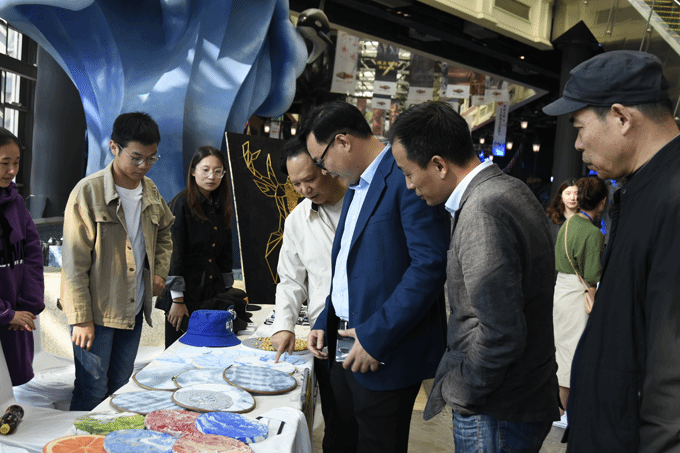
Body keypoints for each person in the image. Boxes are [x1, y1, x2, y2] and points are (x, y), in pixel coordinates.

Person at [389, 100, 559, 452]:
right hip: (518, 398)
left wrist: (461, 389)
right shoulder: (509, 189)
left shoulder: (483, 209)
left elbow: (502, 333)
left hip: (496, 408)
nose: (409, 186)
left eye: (408, 173)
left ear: (439, 165)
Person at [542, 50, 680, 452]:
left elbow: (672, 374)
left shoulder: (671, 198)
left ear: (621, 117)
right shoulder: (639, 188)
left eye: (580, 127)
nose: (578, 144)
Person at [302, 100, 449, 453]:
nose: (323, 171)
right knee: (339, 440)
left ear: (342, 142)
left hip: (384, 351)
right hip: (343, 344)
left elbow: (428, 266)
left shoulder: (405, 177)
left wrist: (374, 337)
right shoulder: (356, 185)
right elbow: (348, 268)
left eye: (321, 161)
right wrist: (325, 319)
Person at [61, 112, 174, 411]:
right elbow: (73, 264)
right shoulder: (88, 192)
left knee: (120, 388)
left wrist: (159, 272)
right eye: (136, 157)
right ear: (114, 147)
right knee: (92, 390)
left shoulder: (150, 191)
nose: (143, 166)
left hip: (133, 308)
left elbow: (165, 232)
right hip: (97, 313)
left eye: (151, 158)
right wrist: (80, 318)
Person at [271, 138, 346, 453]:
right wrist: (284, 325)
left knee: (371, 425)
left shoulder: (361, 206)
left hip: (366, 330)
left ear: (326, 165)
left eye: (309, 179)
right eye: (296, 184)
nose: (304, 189)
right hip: (324, 336)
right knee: (337, 422)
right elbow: (291, 279)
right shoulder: (297, 221)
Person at [157, 146, 234, 348]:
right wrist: (177, 301)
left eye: (218, 171)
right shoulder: (181, 204)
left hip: (212, 293)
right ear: (193, 171)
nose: (212, 176)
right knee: (180, 351)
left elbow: (225, 255)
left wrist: (227, 293)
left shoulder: (221, 205)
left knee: (212, 350)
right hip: (184, 295)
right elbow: (174, 255)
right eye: (205, 170)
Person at [553, 176, 608, 418]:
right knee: (573, 353)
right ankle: (561, 410)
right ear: (602, 202)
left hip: (561, 291)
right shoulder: (593, 233)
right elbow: (592, 274)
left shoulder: (568, 224)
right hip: (578, 295)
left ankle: (555, 407)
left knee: (561, 349)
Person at [0, 128, 45, 386]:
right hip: (8, 315)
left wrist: (28, 305)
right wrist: (6, 313)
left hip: (16, 318)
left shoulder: (15, 202)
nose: (12, 171)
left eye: (16, 163)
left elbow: (33, 255)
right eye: (4, 163)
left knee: (8, 390)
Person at [546, 178, 578, 243]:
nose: (572, 198)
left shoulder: (586, 218)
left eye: (576, 193)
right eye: (568, 193)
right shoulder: (552, 218)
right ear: (561, 196)